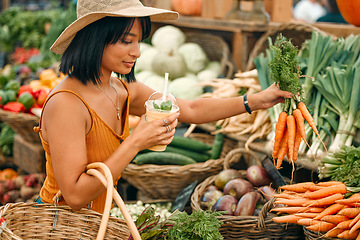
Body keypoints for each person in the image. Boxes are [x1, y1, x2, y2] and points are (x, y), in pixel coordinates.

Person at [34, 0, 294, 214]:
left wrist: (257, 100)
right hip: (60, 226)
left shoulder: (123, 91)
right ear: (96, 38)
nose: (137, 52)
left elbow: (190, 108)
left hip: (98, 226)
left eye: (139, 41)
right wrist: (135, 142)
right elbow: (76, 195)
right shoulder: (66, 104)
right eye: (127, 41)